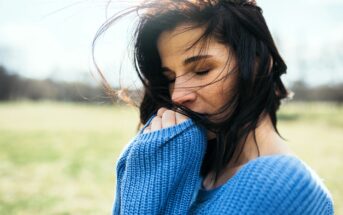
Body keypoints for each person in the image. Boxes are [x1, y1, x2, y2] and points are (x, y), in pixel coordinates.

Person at [93, 0, 334, 214]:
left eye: (201, 70)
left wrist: (153, 172)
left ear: (258, 64)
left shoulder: (280, 184)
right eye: (170, 78)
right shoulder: (200, 171)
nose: (177, 95)